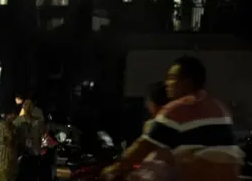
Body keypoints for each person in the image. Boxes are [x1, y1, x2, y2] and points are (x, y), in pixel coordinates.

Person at [101, 56, 243, 181]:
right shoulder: (219, 107)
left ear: (186, 82)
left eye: (172, 78)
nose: (167, 83)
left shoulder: (178, 109)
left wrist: (114, 168)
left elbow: (142, 148)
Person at [14, 100, 44, 181]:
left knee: (33, 175)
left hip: (34, 152)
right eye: (25, 104)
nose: (27, 107)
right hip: (23, 153)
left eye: (29, 105)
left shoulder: (38, 122)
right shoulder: (18, 121)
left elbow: (40, 136)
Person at [0, 105, 19, 181]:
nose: (14, 116)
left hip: (11, 154)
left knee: (10, 175)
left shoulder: (13, 126)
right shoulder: (2, 125)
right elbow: (9, 139)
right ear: (7, 115)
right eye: (12, 114)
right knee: (4, 175)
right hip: (4, 154)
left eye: (15, 114)